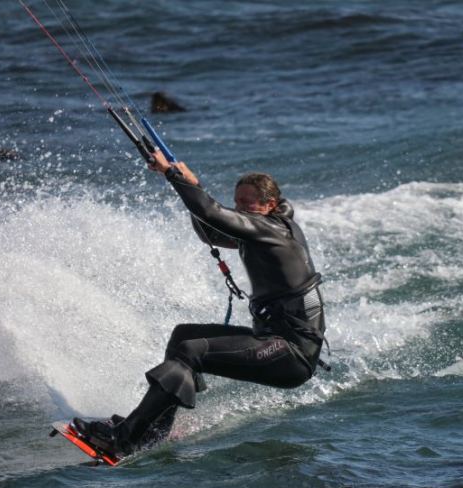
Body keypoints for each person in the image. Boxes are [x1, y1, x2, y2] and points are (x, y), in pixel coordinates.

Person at [72, 150, 327, 457]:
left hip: (291, 354)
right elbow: (209, 229)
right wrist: (191, 186)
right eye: (238, 202)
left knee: (191, 352)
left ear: (269, 204)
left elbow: (212, 214)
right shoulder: (265, 228)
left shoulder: (271, 230)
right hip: (275, 340)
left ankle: (124, 439)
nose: (240, 208)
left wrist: (174, 175)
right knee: (184, 336)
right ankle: (153, 430)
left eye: (248, 203)